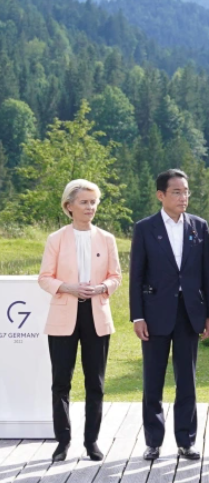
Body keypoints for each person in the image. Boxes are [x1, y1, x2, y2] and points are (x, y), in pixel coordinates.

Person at [130, 169, 209, 462]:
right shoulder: (145, 228)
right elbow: (136, 276)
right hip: (155, 313)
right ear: (161, 195)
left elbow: (207, 273)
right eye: (177, 192)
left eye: (186, 191)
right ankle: (153, 442)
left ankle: (186, 441)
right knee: (153, 379)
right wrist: (137, 316)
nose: (183, 197)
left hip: (190, 313)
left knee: (187, 380)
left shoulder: (199, 227)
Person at [38, 179, 121, 462]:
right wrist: (69, 287)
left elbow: (116, 277)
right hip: (64, 315)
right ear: (69, 206)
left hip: (96, 316)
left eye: (93, 202)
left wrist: (102, 287)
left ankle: (91, 441)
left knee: (95, 383)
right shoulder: (56, 239)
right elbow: (44, 278)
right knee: (61, 382)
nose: (90, 207)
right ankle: (62, 442)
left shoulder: (107, 239)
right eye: (84, 202)